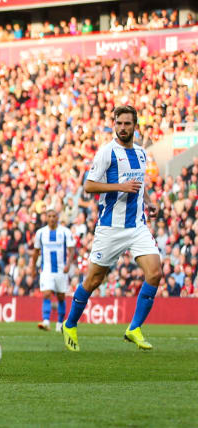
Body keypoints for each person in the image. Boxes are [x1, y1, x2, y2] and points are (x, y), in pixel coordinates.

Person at [62, 105, 161, 351]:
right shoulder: (107, 152)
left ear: (135, 126)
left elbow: (138, 183)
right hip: (110, 228)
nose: (123, 128)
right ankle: (70, 323)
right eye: (119, 123)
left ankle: (134, 328)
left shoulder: (140, 153)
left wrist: (149, 202)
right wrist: (120, 187)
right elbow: (89, 186)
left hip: (137, 226)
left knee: (155, 273)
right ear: (114, 124)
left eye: (128, 123)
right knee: (94, 279)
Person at [31, 209, 75, 332]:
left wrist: (68, 264)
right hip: (46, 270)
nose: (51, 218)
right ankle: (46, 321)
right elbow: (36, 252)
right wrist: (33, 268)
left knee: (61, 297)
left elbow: (72, 250)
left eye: (54, 216)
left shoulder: (65, 232)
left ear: (58, 217)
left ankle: (60, 323)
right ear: (46, 218)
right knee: (46, 293)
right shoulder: (40, 233)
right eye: (49, 216)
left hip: (61, 270)